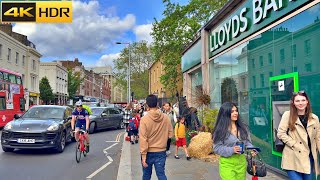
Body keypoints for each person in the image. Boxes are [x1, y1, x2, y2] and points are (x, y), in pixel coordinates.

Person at [277, 91, 320, 179]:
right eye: (297, 101)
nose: (300, 103)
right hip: (293, 156)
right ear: (293, 103)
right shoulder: (287, 115)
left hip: (309, 157)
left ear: (307, 101)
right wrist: (294, 144)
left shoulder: (314, 118)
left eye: (303, 100)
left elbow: (318, 137)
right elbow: (281, 133)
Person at [213, 102, 255, 180]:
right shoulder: (220, 130)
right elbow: (217, 148)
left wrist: (251, 149)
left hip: (241, 162)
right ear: (225, 114)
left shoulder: (243, 127)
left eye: (236, 111)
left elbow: (247, 142)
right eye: (232, 112)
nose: (235, 113)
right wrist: (232, 149)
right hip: (227, 163)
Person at [139, 94, 173, 180]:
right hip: (161, 151)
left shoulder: (144, 119)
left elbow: (143, 139)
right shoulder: (165, 117)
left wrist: (143, 156)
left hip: (148, 152)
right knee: (161, 175)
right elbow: (170, 134)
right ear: (157, 103)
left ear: (147, 104)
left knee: (146, 176)